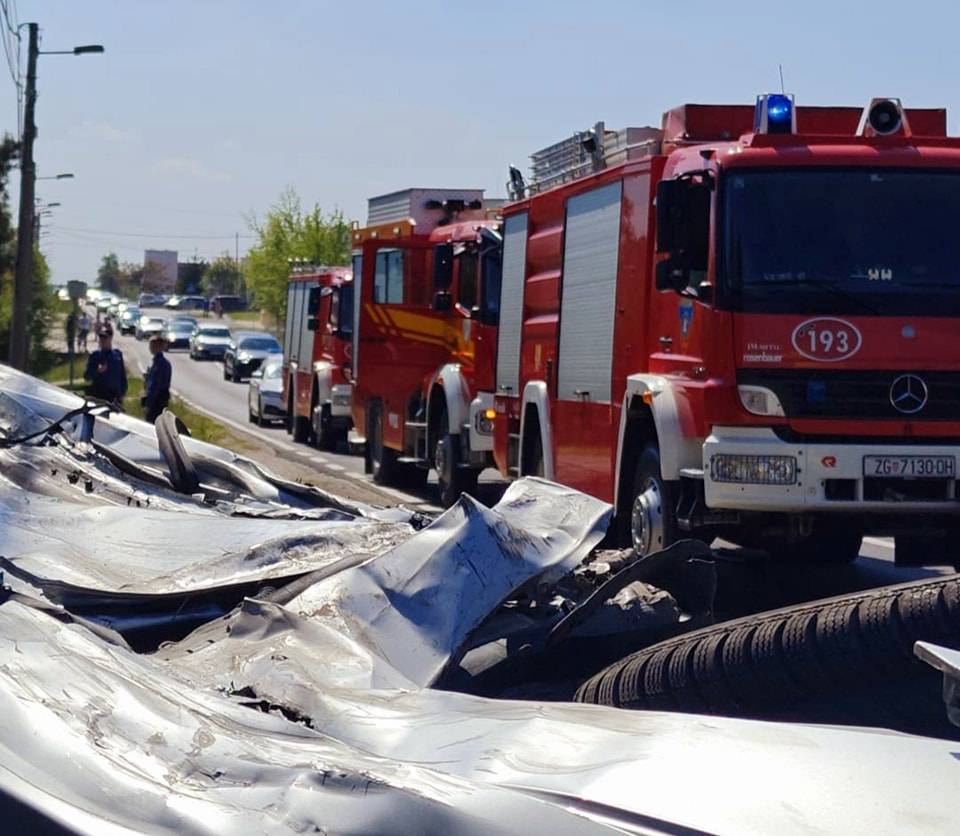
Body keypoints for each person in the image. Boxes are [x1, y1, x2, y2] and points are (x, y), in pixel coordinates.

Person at [84, 324, 127, 407]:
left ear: (110, 339)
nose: (102, 341)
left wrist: (123, 393)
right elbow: (87, 376)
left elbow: (122, 375)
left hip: (115, 396)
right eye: (101, 338)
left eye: (105, 338)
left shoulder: (117, 355)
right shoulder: (95, 355)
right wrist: (97, 371)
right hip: (99, 395)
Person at [141, 335, 172, 423]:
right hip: (161, 399)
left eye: (152, 346)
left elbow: (155, 386)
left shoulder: (160, 364)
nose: (150, 348)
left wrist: (148, 404)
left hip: (157, 401)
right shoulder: (162, 363)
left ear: (158, 347)